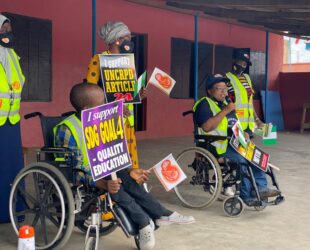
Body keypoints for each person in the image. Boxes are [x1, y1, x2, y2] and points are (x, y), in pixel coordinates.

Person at [54, 82, 194, 250]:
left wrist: (129, 170)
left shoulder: (103, 122)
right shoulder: (68, 129)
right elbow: (73, 171)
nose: (107, 105)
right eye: (102, 103)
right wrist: (103, 184)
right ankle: (144, 223)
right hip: (85, 175)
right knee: (116, 186)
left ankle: (162, 214)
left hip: (107, 169)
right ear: (86, 109)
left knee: (129, 179)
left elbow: (115, 154)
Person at [193, 75, 280, 205]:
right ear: (210, 91)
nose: (224, 92)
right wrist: (225, 111)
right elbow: (206, 127)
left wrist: (243, 133)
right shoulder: (204, 104)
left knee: (256, 156)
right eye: (219, 89)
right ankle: (246, 194)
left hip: (233, 143)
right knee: (242, 160)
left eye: (225, 89)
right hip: (215, 147)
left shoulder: (226, 104)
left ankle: (261, 188)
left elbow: (234, 125)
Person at [86, 21, 143, 170]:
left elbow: (128, 94)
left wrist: (139, 95)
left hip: (127, 122)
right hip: (108, 122)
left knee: (131, 165)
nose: (130, 42)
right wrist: (113, 107)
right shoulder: (98, 60)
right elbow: (89, 94)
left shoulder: (127, 61)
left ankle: (132, 189)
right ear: (117, 39)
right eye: (127, 37)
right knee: (113, 166)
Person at [0, 14, 26, 223]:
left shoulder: (12, 54)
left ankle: (14, 208)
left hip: (11, 121)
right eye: (3, 28)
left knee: (13, 168)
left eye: (8, 28)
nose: (7, 32)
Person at [226, 50, 264, 137]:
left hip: (249, 125)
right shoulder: (226, 79)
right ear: (234, 61)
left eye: (245, 64)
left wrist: (257, 119)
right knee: (239, 149)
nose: (243, 66)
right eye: (241, 62)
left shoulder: (247, 78)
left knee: (270, 136)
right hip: (235, 125)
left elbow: (249, 102)